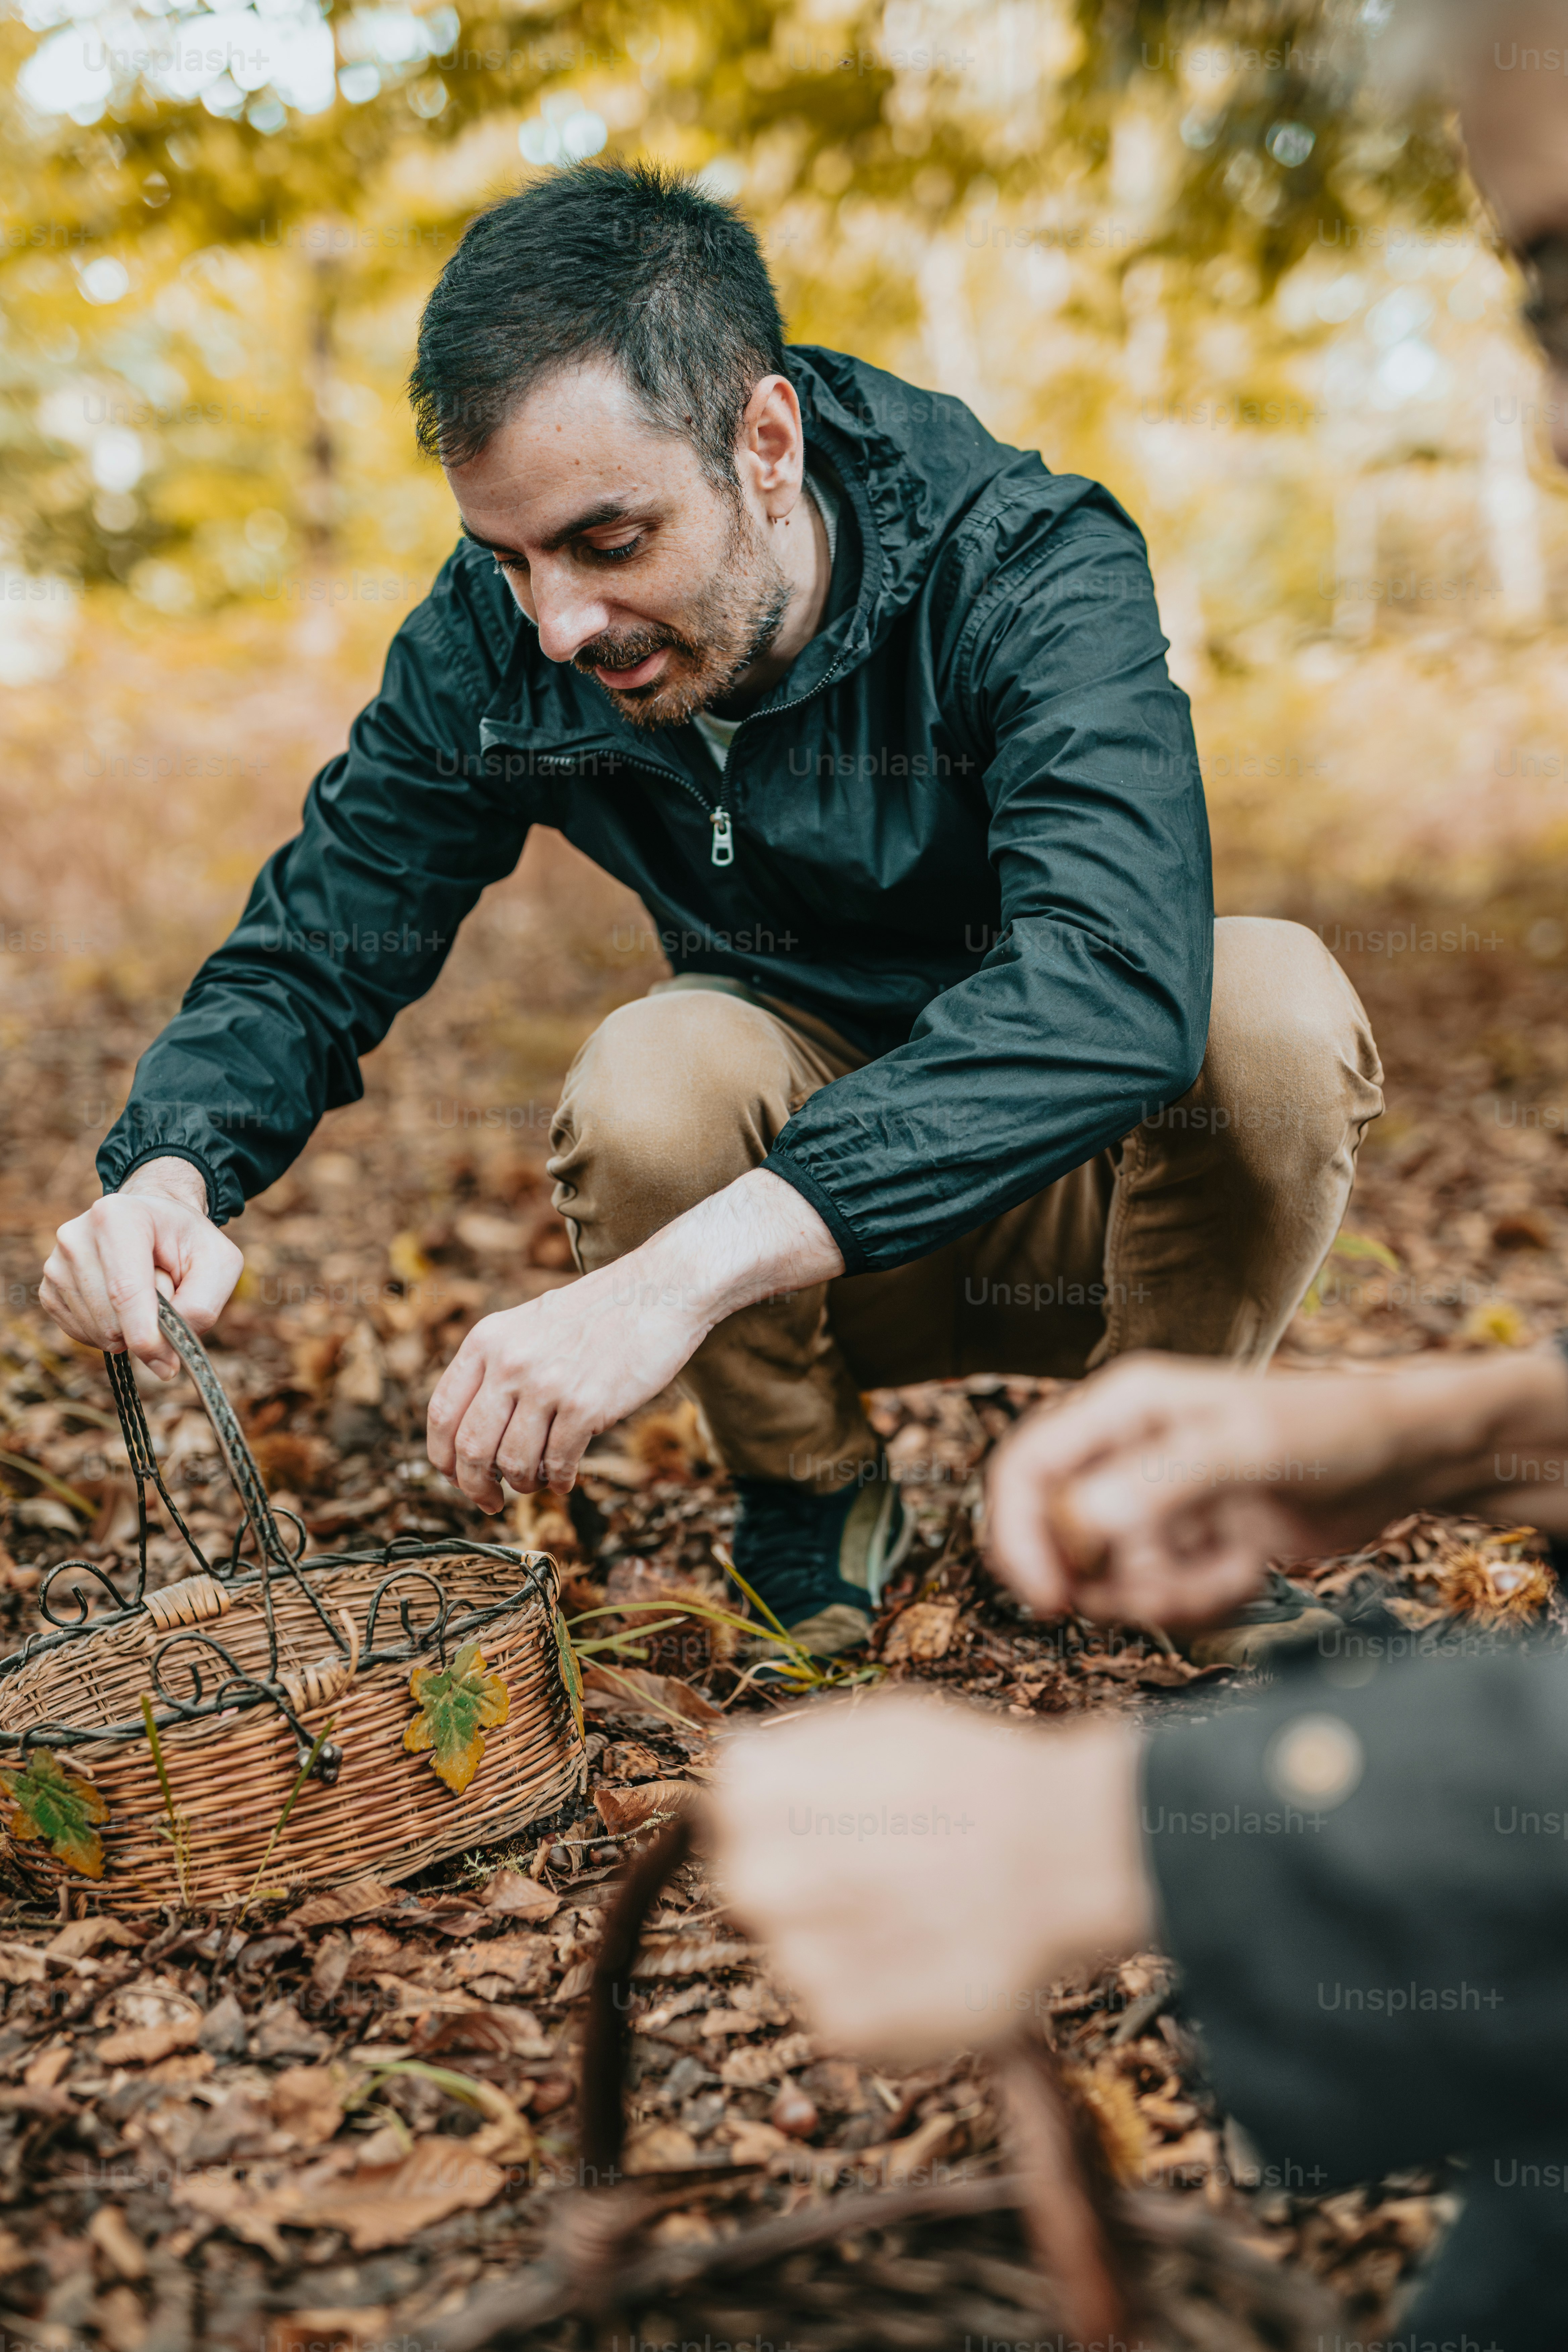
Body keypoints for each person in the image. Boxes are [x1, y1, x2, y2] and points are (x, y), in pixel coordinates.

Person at [38, 162, 1380, 1657]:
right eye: (511, 556)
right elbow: (315, 947)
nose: (558, 623)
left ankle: (1151, 1491)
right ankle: (814, 1493)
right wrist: (167, 1172)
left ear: (763, 442)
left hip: (1097, 1209)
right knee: (654, 1074)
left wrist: (668, 1281)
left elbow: (1110, 979)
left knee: (1265, 1004)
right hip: (802, 1266)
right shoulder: (499, 644)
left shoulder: (1022, 565)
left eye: (609, 544)